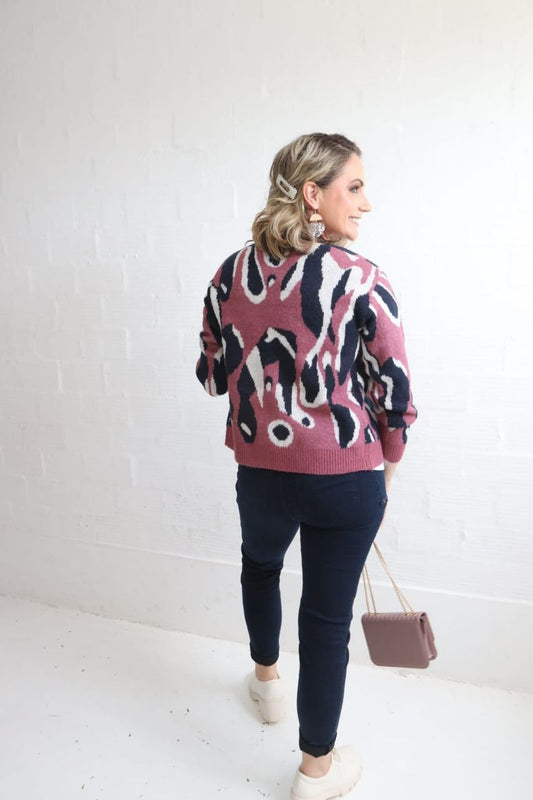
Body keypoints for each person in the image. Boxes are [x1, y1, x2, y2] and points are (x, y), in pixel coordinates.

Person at [196, 133, 417, 800]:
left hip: (261, 473)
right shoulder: (361, 277)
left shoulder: (230, 273)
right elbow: (395, 393)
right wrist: (387, 466)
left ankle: (266, 684)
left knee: (259, 567)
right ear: (313, 195)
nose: (366, 203)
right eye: (355, 187)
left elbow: (211, 376)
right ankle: (315, 772)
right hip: (346, 480)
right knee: (325, 622)